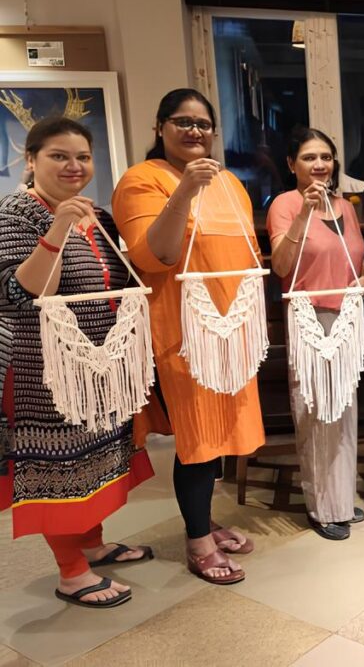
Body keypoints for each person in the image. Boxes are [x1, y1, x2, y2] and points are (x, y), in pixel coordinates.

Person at [112, 89, 264, 585]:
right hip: (182, 332)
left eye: (203, 123)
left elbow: (248, 251)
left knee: (220, 437)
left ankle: (205, 520)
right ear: (160, 127)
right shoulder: (141, 180)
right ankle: (198, 540)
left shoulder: (231, 184)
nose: (195, 130)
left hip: (232, 330)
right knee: (197, 440)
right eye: (183, 121)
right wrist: (183, 193)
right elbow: (153, 254)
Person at [0, 117, 154, 608]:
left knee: (94, 459)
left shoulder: (99, 216)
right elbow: (20, 293)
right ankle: (72, 573)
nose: (74, 166)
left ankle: (93, 543)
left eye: (83, 156)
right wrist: (59, 227)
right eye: (59, 156)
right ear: (31, 161)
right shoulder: (16, 214)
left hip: (95, 366)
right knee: (59, 467)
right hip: (40, 371)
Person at [267, 127, 364, 541]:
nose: (319, 165)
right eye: (309, 157)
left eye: (326, 157)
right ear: (292, 164)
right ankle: (321, 506)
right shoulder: (285, 204)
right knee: (314, 412)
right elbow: (281, 265)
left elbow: (356, 260)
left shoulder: (345, 206)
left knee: (344, 412)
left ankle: (341, 499)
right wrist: (306, 213)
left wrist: (362, 276)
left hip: (346, 317)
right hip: (310, 319)